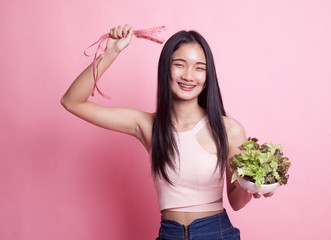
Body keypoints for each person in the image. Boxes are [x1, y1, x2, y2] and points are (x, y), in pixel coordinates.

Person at [61, 24, 273, 240]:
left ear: (207, 75)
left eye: (199, 68)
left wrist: (250, 186)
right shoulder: (147, 125)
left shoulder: (229, 129)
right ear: (165, 69)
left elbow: (236, 202)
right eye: (180, 64)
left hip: (216, 233)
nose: (189, 75)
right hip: (169, 234)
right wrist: (110, 53)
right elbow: (72, 102)